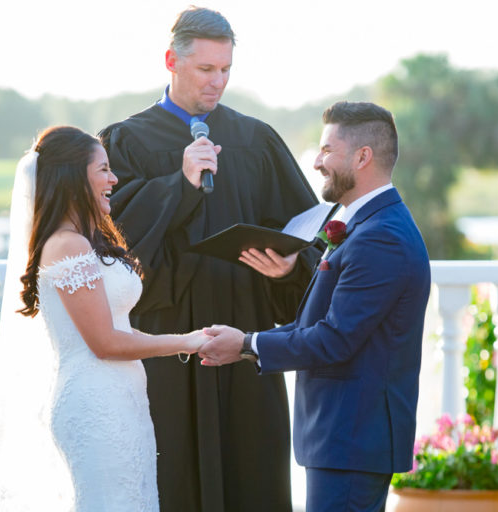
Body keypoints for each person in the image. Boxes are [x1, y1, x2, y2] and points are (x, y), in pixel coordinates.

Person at [99, 7, 321, 511]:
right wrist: (178, 186)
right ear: (171, 61)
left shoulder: (255, 141)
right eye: (206, 69)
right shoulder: (126, 141)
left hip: (243, 335)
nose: (217, 82)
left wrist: (289, 268)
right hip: (167, 341)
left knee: (252, 476)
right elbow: (109, 243)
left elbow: (306, 232)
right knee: (171, 476)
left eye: (226, 70)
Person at [199, 101, 431, 512]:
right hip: (342, 440)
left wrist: (247, 344)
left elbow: (334, 339)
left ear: (363, 157)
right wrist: (247, 340)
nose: (318, 162)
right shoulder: (363, 226)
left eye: (327, 150)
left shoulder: (381, 237)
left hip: (352, 439)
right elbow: (320, 323)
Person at [0, 126, 208, 511]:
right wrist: (187, 341)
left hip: (121, 398)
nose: (113, 179)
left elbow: (117, 327)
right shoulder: (67, 244)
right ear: (72, 178)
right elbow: (106, 343)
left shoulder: (84, 241)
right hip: (95, 404)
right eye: (103, 169)